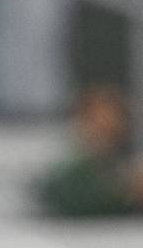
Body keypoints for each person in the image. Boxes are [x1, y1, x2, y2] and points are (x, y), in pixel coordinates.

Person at [35, 86, 143, 217]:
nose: (108, 125)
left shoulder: (118, 161)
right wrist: (126, 193)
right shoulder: (66, 168)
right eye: (98, 119)